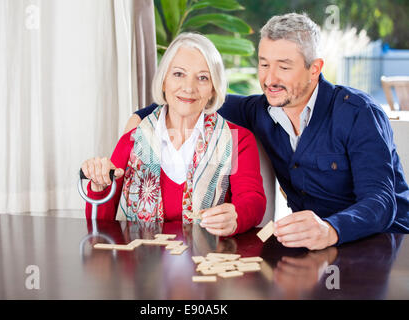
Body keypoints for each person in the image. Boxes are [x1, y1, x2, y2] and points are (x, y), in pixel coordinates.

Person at [127, 13, 409, 250]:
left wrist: (330, 229)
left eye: (283, 67)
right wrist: (140, 117)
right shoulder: (259, 110)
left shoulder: (358, 113)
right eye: (263, 64)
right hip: (313, 249)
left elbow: (381, 202)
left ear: (314, 69)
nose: (269, 79)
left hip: (387, 243)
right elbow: (194, 98)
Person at [81, 33, 266, 237]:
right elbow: (100, 226)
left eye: (203, 77)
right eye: (178, 74)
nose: (189, 87)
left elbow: (253, 201)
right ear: (163, 81)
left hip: (208, 263)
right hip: (139, 266)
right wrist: (99, 186)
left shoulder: (238, 140)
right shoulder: (131, 141)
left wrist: (236, 216)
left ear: (213, 90)